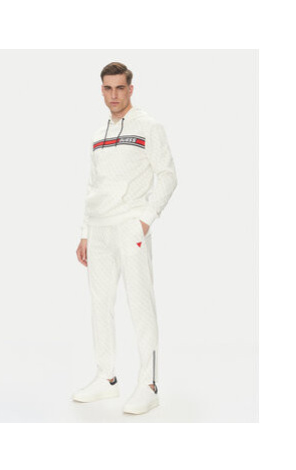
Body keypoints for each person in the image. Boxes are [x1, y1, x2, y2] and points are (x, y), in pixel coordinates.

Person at [73, 62, 178, 415]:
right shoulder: (98, 135)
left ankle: (149, 385)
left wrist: (144, 221)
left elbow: (167, 175)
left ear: (130, 89)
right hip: (99, 231)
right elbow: (93, 185)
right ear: (101, 90)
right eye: (108, 88)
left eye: (120, 88)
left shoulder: (148, 126)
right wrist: (85, 233)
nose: (114, 95)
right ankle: (106, 378)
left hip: (130, 228)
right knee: (100, 303)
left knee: (140, 303)